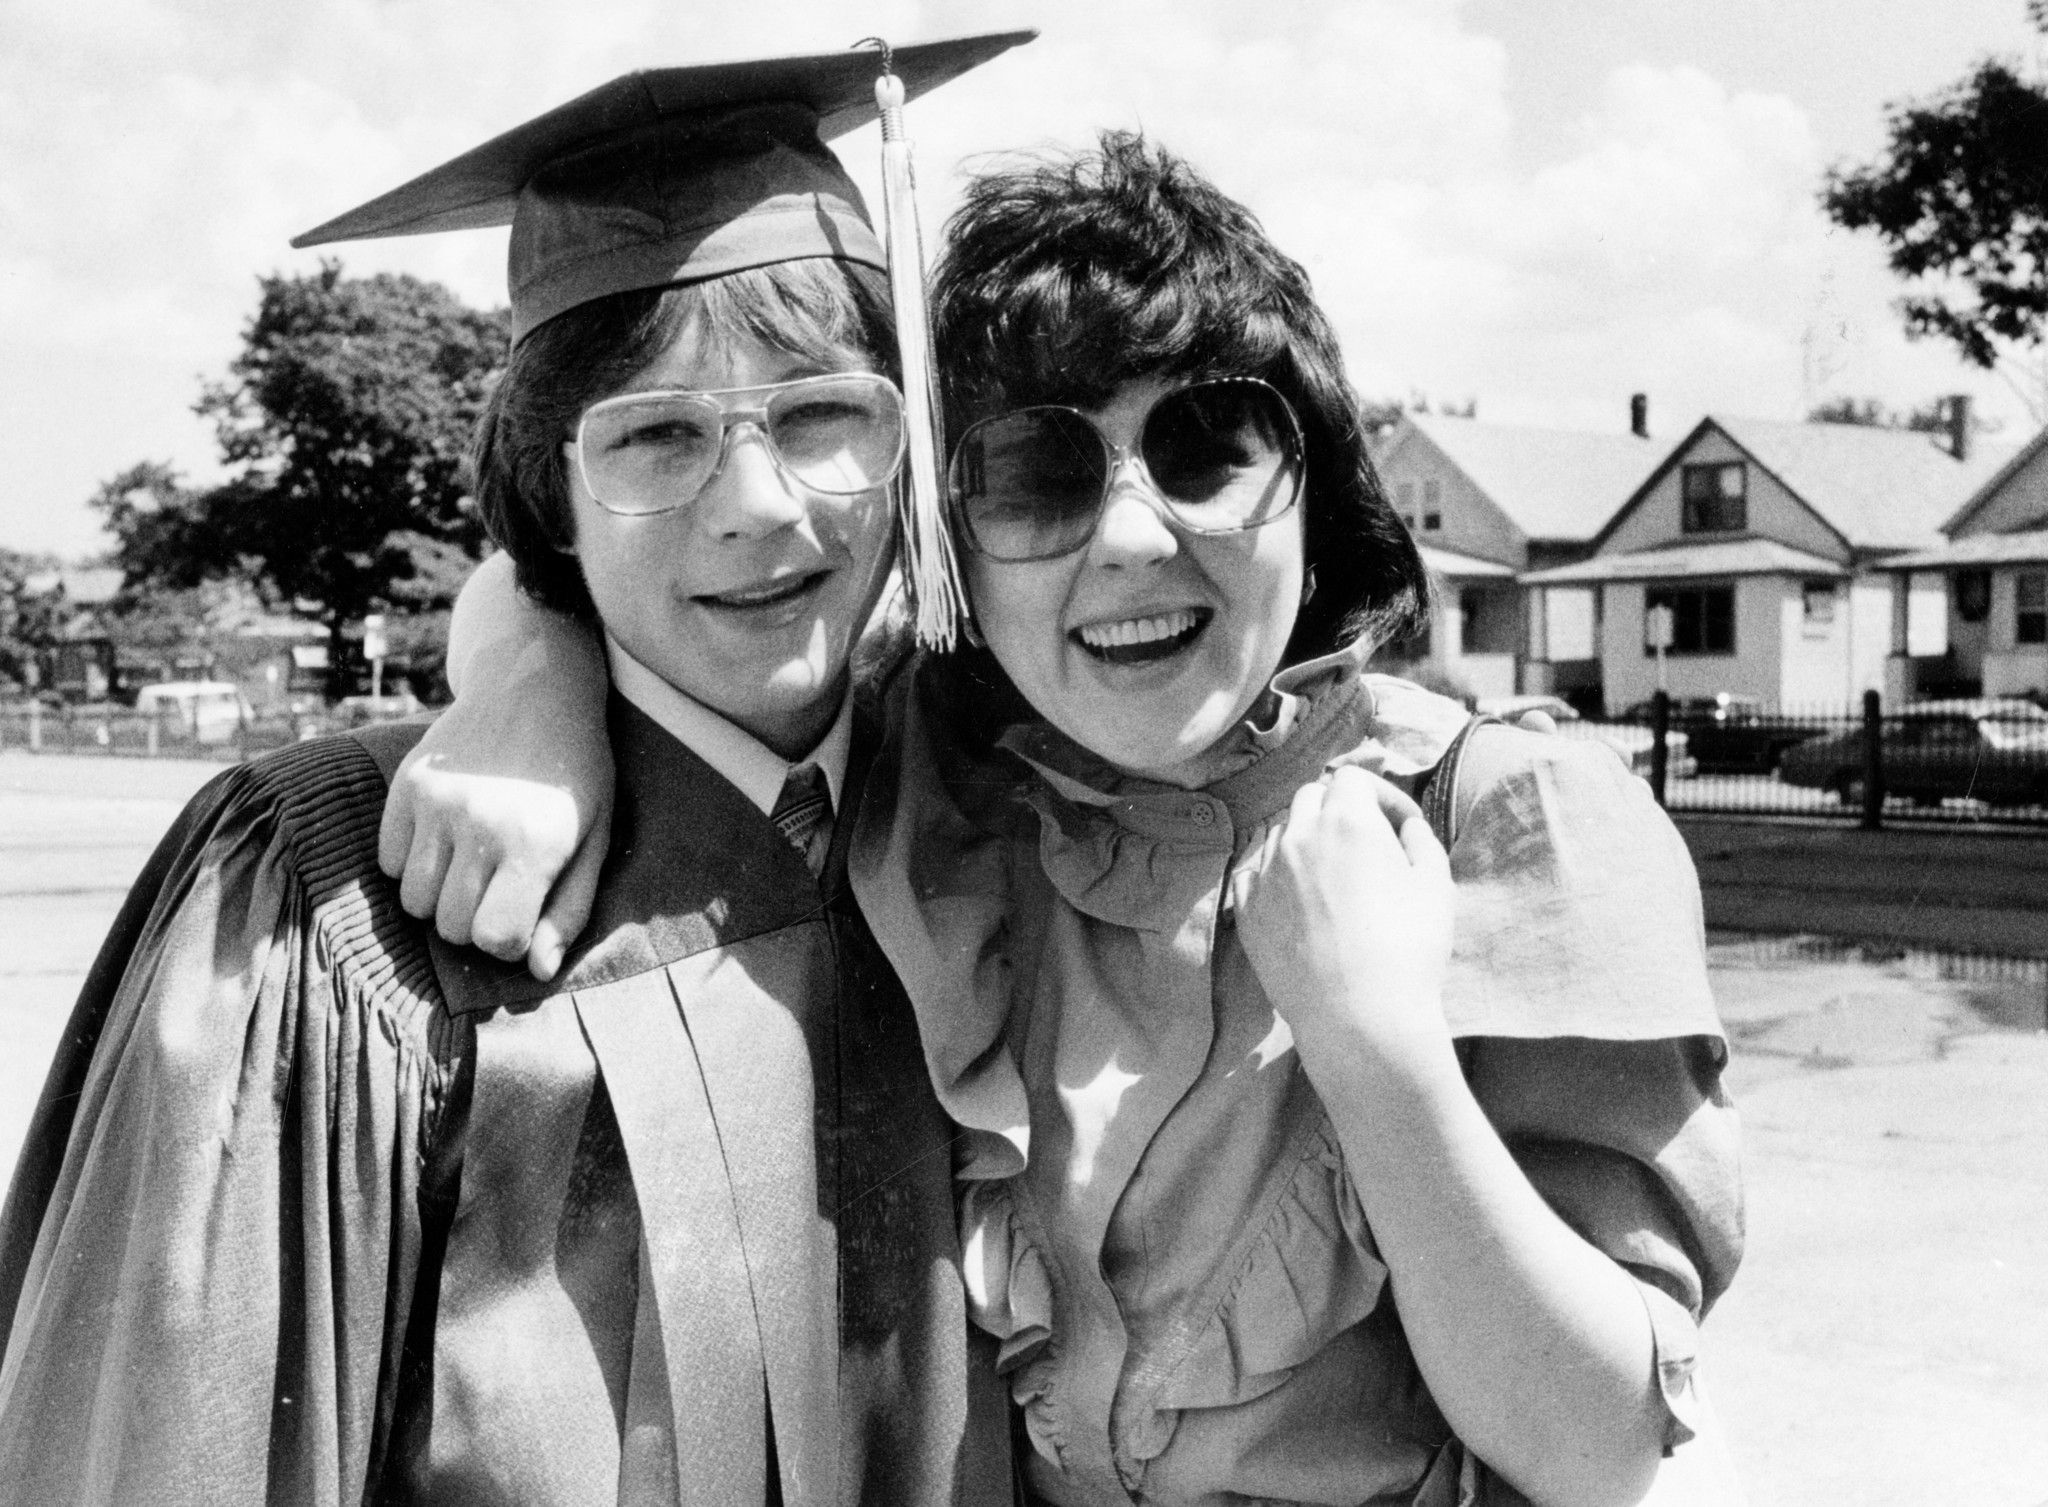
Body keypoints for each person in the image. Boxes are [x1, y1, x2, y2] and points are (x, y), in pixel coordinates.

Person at [383, 136, 1744, 1507]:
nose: (1134, 538)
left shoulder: (1501, 816)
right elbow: (573, 561)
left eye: (1208, 446)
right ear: (951, 546)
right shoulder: (957, 788)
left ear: (1316, 493)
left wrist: (1378, 1054)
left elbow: (1599, 1451)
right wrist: (526, 680)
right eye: (1038, 475)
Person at [0, 36, 1035, 1506]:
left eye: (823, 416)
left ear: (909, 439)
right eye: (656, 437)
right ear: (549, 488)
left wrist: (524, 659)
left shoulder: (1015, 814)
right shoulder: (332, 911)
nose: (756, 507)